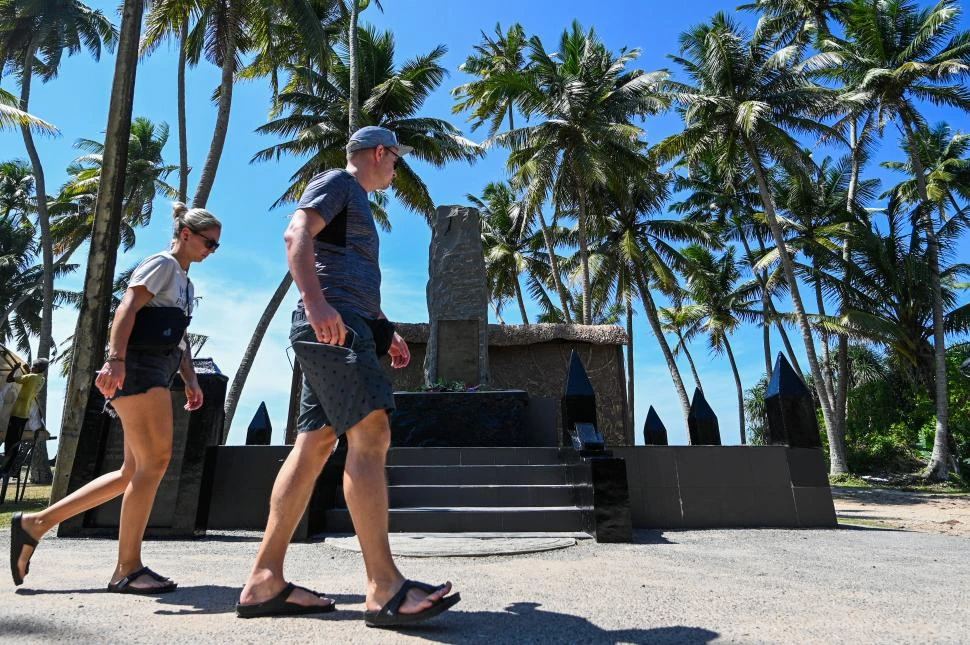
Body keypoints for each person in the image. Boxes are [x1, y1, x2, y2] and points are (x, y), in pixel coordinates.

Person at [237, 126, 460, 626]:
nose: (397, 169)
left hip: (349, 323)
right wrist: (316, 304)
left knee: (313, 446)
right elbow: (296, 234)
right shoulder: (338, 181)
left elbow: (346, 271)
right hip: (332, 325)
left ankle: (263, 580)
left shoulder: (356, 201)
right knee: (372, 433)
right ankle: (385, 587)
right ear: (378, 153)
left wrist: (384, 329)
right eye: (395, 160)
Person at [9, 202, 221, 593]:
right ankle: (127, 568)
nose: (212, 251)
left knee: (131, 473)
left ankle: (35, 524)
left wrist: (191, 379)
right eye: (209, 243)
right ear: (186, 234)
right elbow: (125, 309)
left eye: (216, 246)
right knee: (154, 463)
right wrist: (115, 360)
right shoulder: (162, 265)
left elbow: (178, 337)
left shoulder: (184, 283)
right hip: (137, 368)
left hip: (157, 368)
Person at [3, 358, 48, 456]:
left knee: (9, 440)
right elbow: (30, 380)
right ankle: (12, 467)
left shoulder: (30, 377)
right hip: (25, 414)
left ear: (38, 368)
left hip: (17, 412)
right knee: (16, 439)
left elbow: (9, 379)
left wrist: (15, 368)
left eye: (33, 366)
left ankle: (7, 465)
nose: (31, 367)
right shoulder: (41, 379)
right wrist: (28, 371)